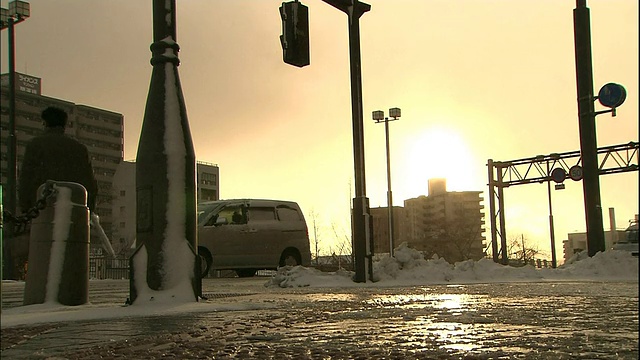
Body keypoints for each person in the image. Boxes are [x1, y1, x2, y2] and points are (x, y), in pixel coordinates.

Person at [18, 106, 98, 212]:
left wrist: (25, 207)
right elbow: (89, 183)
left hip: (42, 209)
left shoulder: (35, 145)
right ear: (64, 125)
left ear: (45, 123)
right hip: (73, 209)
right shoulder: (79, 148)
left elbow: (26, 179)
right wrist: (89, 209)